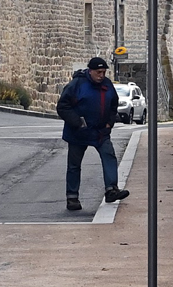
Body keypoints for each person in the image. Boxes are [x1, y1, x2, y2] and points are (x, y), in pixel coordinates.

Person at [55, 57, 130, 212]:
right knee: (74, 165)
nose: (101, 75)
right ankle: (72, 197)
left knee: (109, 156)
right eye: (98, 72)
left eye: (103, 72)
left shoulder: (107, 85)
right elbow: (63, 106)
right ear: (90, 71)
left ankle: (111, 189)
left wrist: (110, 122)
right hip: (78, 133)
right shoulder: (77, 84)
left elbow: (113, 104)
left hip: (100, 132)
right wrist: (77, 122)